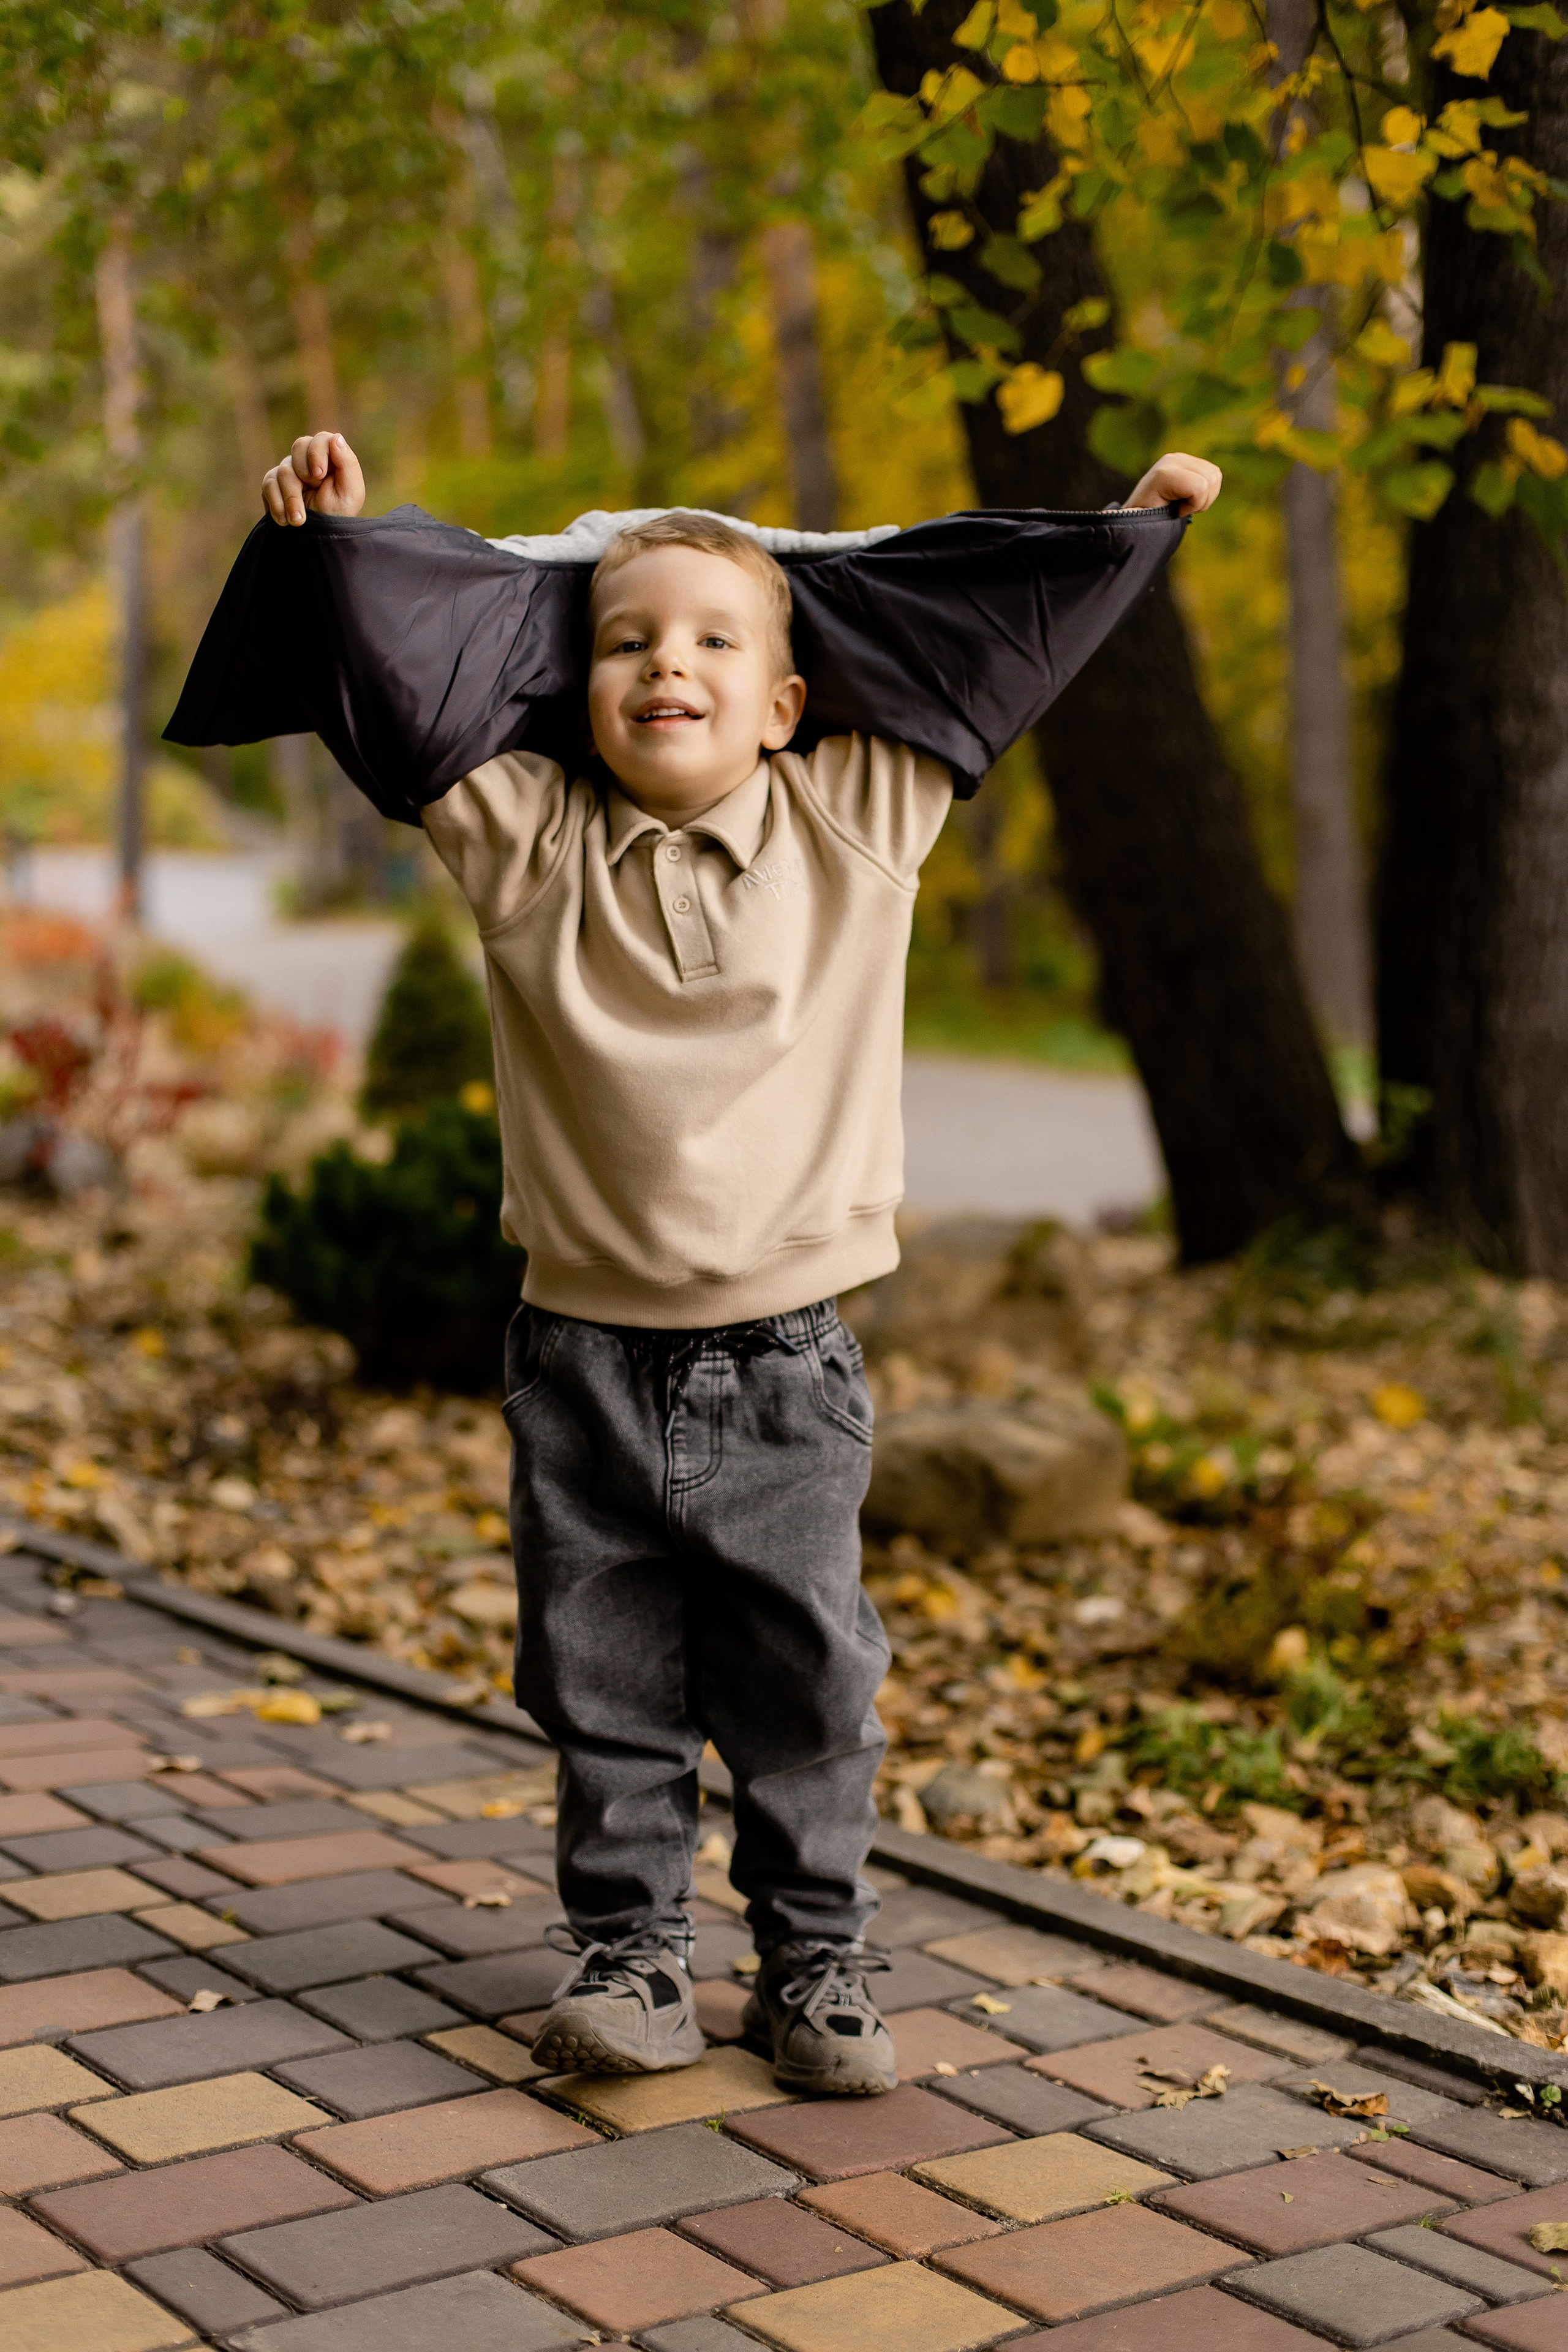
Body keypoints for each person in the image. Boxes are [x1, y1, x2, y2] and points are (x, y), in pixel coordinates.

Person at [244, 432, 1221, 2097]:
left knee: (805, 1686)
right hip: (580, 1362)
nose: (665, 664)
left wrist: (1124, 540)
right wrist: (339, 549)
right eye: (624, 642)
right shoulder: (528, 843)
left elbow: (1000, 657)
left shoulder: (861, 818)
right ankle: (629, 1957)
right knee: (603, 1680)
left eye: (710, 639)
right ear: (577, 685)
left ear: (787, 702)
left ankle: (817, 1968)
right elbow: (407, 698)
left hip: (785, 1361)